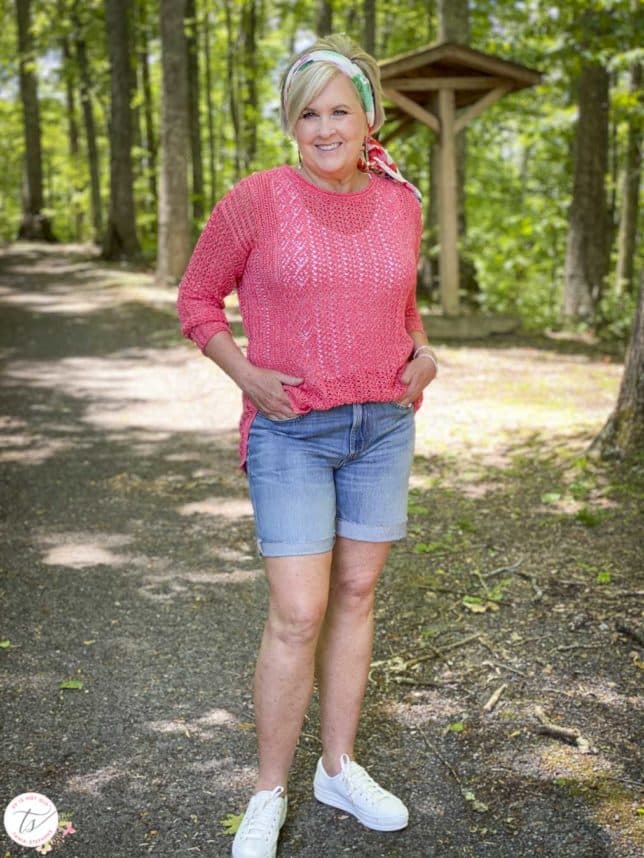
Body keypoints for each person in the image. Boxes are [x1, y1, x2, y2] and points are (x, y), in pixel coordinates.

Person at [177, 32, 438, 858]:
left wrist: (426, 353)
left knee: (356, 597)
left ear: (369, 115)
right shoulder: (257, 198)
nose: (324, 128)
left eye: (339, 110)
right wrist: (246, 376)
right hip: (290, 431)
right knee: (298, 612)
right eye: (308, 113)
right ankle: (266, 793)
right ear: (292, 122)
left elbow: (400, 308)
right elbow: (196, 300)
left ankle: (337, 767)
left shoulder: (402, 199)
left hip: (383, 427)